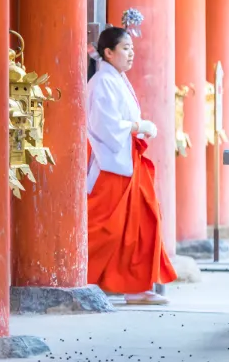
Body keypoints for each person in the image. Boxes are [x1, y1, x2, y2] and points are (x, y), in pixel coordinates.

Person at [86, 26, 177, 305]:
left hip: (127, 158)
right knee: (106, 228)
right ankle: (81, 276)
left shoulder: (117, 79)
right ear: (108, 52)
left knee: (141, 223)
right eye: (125, 48)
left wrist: (137, 128)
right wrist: (138, 126)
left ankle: (136, 286)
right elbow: (105, 125)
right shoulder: (102, 82)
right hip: (111, 163)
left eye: (132, 48)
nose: (130, 53)